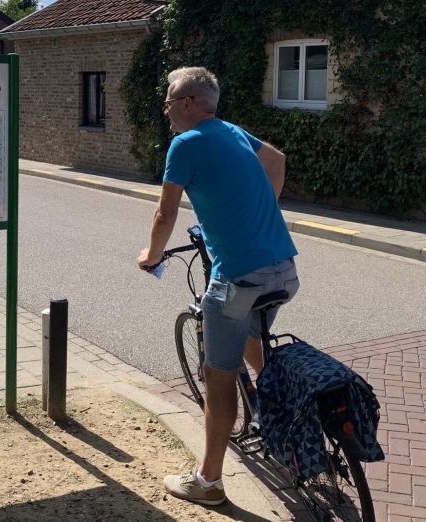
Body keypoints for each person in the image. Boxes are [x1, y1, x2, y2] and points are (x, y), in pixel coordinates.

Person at [137, 66, 299, 506]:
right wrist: (256, 215)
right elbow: (277, 161)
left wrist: (151, 257)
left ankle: (207, 482)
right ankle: (278, 408)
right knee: (251, 334)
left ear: (190, 103)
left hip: (239, 276)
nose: (166, 110)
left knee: (220, 379)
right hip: (283, 268)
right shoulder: (231, 130)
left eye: (170, 101)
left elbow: (164, 214)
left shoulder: (185, 144)